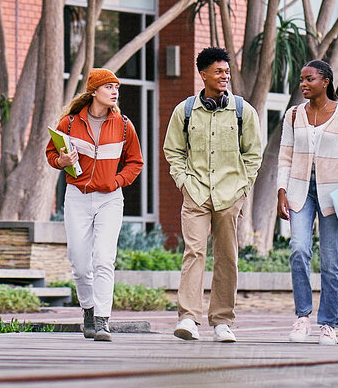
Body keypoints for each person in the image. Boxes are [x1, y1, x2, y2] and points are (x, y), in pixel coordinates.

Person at [163, 47, 263, 342]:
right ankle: (188, 319)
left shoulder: (243, 111)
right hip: (195, 192)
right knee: (194, 252)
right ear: (203, 73)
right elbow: (173, 151)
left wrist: (243, 189)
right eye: (218, 71)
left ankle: (222, 321)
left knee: (227, 257)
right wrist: (183, 181)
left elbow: (253, 154)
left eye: (227, 72)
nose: (224, 76)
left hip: (230, 194)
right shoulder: (184, 111)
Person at [48, 69, 145, 341]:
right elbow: (51, 153)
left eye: (117, 88)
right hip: (77, 195)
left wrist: (116, 182)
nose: (114, 92)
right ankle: (88, 310)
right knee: (79, 264)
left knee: (104, 259)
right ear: (94, 92)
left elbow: (135, 162)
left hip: (110, 199)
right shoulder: (69, 123)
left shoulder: (124, 125)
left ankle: (102, 320)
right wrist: (61, 162)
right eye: (108, 87)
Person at [275, 60, 338, 345]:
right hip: (300, 189)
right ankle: (303, 317)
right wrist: (281, 190)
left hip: (334, 191)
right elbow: (285, 156)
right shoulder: (293, 115)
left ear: (325, 81)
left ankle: (328, 323)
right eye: (301, 79)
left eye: (309, 79)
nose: (303, 84)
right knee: (299, 248)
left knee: (330, 259)